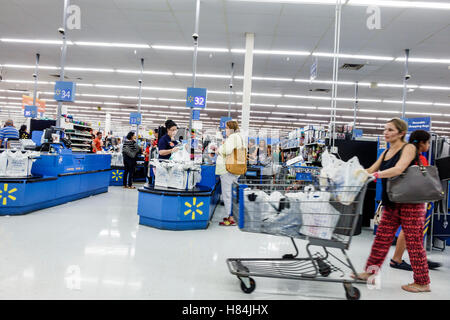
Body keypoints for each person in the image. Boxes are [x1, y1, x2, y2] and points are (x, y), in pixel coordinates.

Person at [353, 118, 431, 293]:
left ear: (401, 133)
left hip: (410, 204)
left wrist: (377, 175)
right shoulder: (386, 152)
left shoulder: (408, 148)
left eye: (390, 130)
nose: (385, 133)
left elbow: (399, 169)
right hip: (392, 202)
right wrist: (351, 172)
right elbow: (371, 169)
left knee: (413, 243)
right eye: (385, 129)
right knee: (381, 239)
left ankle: (422, 282)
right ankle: (370, 273)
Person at [390, 130, 442, 271]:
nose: (429, 145)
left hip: (408, 198)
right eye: (428, 142)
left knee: (415, 231)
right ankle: (397, 259)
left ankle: (419, 258)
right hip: (412, 200)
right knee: (408, 230)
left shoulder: (409, 156)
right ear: (421, 143)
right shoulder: (416, 159)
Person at [215, 121, 244, 226]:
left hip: (228, 170)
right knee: (231, 194)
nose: (225, 130)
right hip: (234, 170)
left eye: (226, 128)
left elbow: (226, 150)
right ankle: (231, 215)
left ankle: (231, 218)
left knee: (227, 194)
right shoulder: (239, 137)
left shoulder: (233, 137)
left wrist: (219, 150)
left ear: (231, 128)